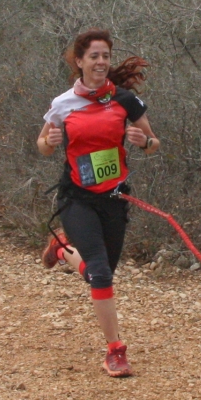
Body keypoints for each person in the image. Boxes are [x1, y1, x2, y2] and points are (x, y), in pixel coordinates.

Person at [37, 28, 160, 378]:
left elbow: (154, 142)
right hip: (77, 197)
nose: (101, 62)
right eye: (94, 56)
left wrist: (143, 141)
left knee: (99, 274)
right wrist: (51, 141)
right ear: (80, 62)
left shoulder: (124, 100)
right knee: (101, 272)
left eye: (106, 55)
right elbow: (42, 144)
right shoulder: (64, 104)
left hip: (114, 199)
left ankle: (61, 251)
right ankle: (115, 351)